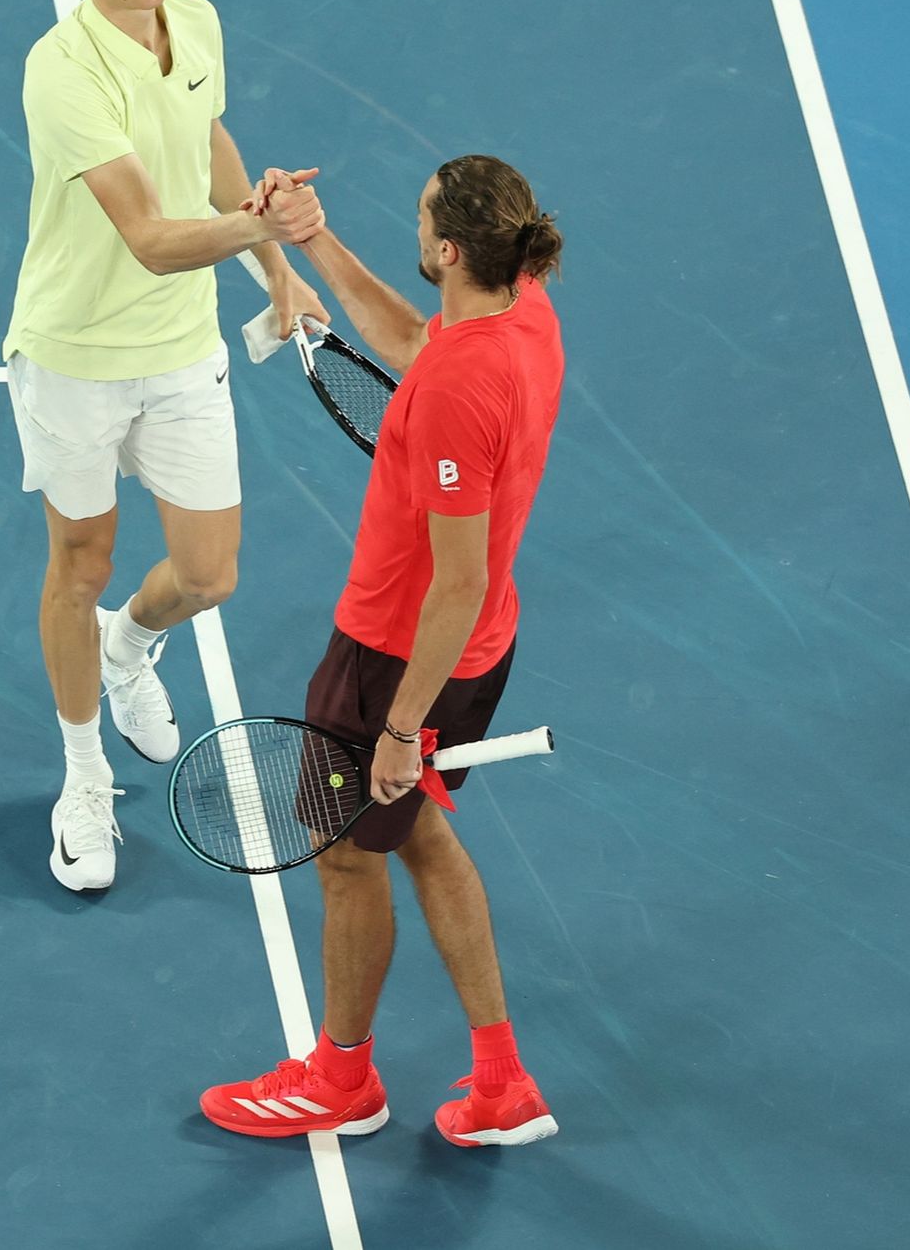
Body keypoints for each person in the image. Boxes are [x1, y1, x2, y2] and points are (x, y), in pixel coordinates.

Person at [199, 154, 565, 1147]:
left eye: (421, 222)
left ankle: (342, 1081)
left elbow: (457, 578)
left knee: (346, 861)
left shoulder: (456, 388)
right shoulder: (525, 311)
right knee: (425, 838)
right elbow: (412, 334)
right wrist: (308, 239)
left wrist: (400, 726)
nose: (413, 229)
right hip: (481, 654)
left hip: (396, 659)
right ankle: (502, 1085)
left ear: (447, 251)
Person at [3, 0, 328, 893]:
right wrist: (259, 228)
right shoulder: (63, 72)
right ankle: (83, 776)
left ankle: (128, 650)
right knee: (81, 564)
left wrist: (275, 268)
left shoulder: (194, 21)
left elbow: (209, 138)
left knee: (207, 575)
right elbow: (146, 236)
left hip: (183, 352)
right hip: (77, 356)